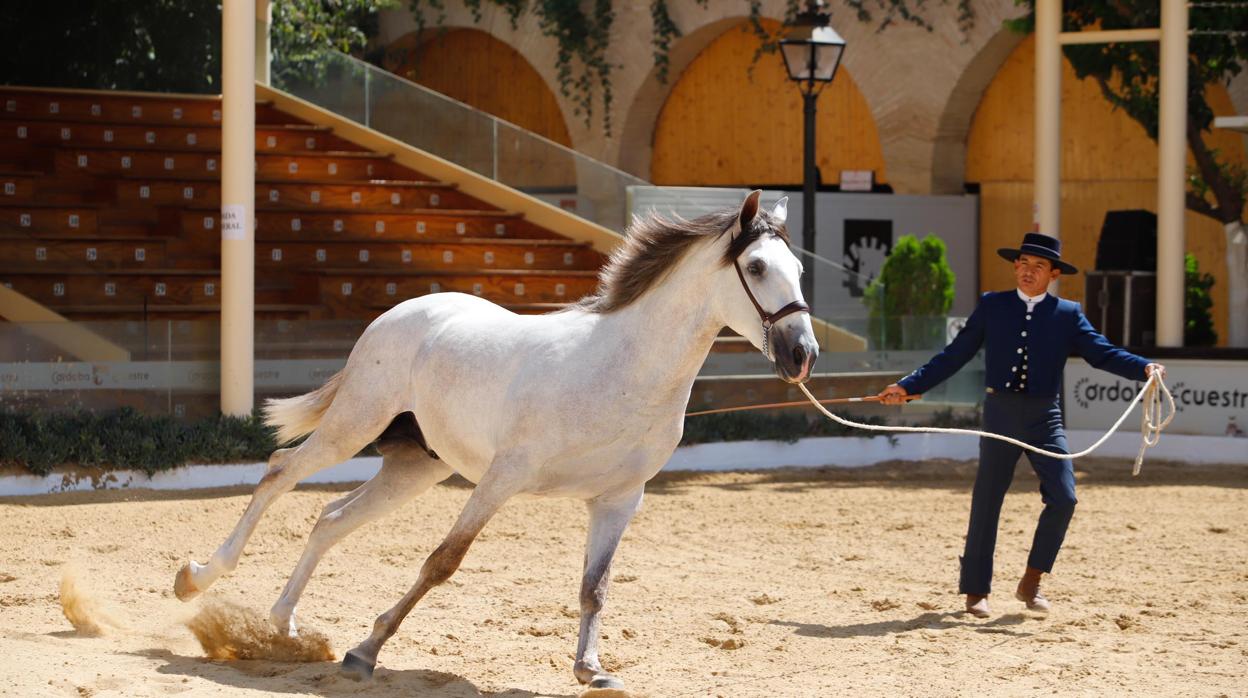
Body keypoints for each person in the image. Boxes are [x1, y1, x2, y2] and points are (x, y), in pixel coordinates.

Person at [877, 232, 1165, 617]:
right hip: (1000, 413)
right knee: (987, 501)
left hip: (1045, 417)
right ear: (1015, 266)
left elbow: (1102, 353)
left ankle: (1033, 579)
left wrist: (1142, 367)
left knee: (1064, 498)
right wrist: (909, 386)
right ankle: (976, 591)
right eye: (1023, 264)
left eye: (1038, 266)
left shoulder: (1068, 314)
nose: (1028, 272)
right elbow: (955, 354)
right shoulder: (992, 306)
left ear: (1053, 274)